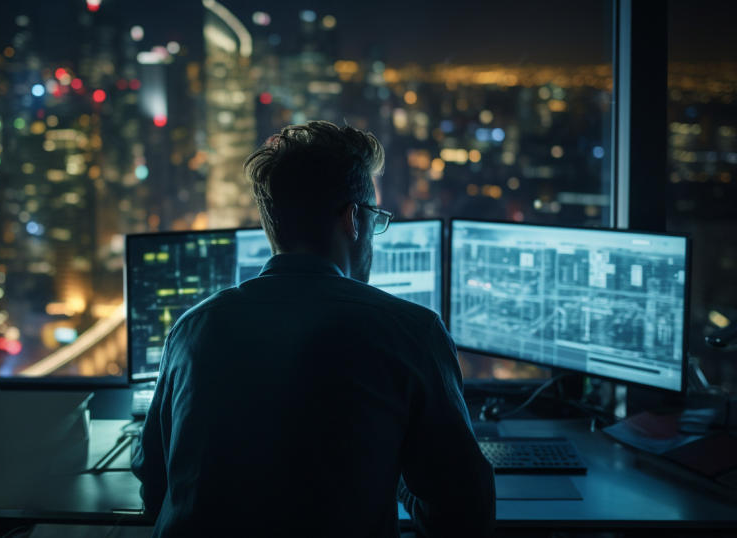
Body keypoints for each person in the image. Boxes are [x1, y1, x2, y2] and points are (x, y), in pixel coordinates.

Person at [132, 121, 495, 537]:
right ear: (352, 218)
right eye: (374, 218)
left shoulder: (192, 329)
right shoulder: (411, 331)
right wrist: (393, 475)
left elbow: (154, 487)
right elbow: (464, 510)